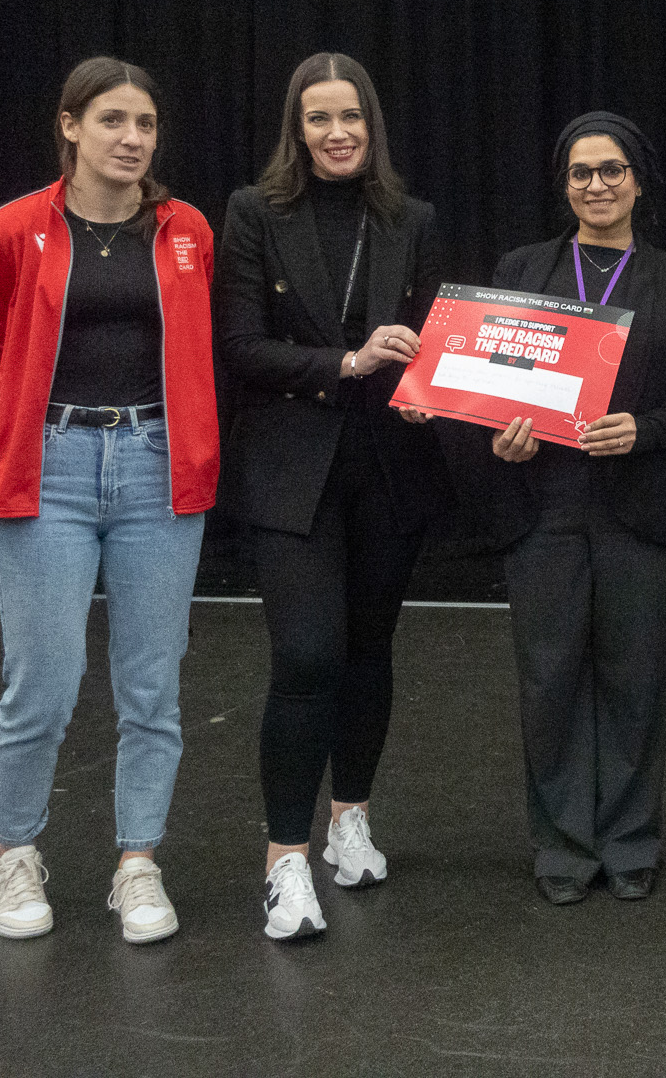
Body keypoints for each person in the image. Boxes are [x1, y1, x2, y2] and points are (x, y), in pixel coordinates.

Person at [0, 56, 218, 944]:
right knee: (45, 681)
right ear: (69, 126)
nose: (132, 139)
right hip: (50, 470)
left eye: (144, 124)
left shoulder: (185, 229)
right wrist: (30, 435)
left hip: (156, 465)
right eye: (112, 120)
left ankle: (137, 862)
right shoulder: (11, 229)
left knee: (152, 683)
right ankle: (14, 852)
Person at [448, 113, 666, 905]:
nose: (596, 186)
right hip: (545, 506)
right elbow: (484, 382)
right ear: (563, 184)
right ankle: (564, 842)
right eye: (580, 173)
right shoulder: (523, 268)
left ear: (638, 181)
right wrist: (500, 433)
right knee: (550, 676)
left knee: (635, 678)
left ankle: (631, 836)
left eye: (611, 171)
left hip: (638, 507)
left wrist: (647, 427)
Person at [215, 52, 445, 940]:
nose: (337, 131)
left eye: (351, 115)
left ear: (371, 124)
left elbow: (439, 339)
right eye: (319, 118)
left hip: (390, 463)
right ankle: (284, 858)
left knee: (370, 650)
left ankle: (350, 815)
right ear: (296, 128)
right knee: (308, 655)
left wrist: (450, 383)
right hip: (292, 464)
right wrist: (345, 363)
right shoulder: (254, 213)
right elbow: (239, 346)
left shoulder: (412, 218)